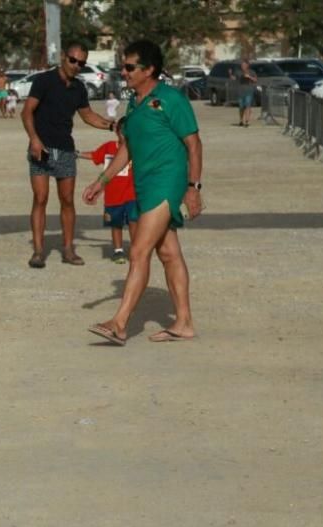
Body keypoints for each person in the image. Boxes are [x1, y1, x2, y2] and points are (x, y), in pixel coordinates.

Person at [82, 39, 202, 345]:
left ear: (149, 69)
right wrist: (101, 181)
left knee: (138, 251)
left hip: (167, 182)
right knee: (168, 252)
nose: (124, 71)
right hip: (144, 183)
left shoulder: (171, 100)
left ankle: (119, 323)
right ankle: (184, 322)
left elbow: (193, 143)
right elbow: (127, 149)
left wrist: (193, 187)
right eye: (123, 66)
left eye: (129, 66)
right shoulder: (135, 103)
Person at [21, 42, 118, 269]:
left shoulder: (79, 88)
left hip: (65, 149)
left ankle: (68, 249)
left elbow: (88, 116)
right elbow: (27, 112)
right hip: (41, 149)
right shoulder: (44, 81)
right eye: (73, 60)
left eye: (81, 63)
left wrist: (112, 126)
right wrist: (34, 139)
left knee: (67, 201)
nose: (76, 66)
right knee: (40, 199)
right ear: (63, 57)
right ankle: (38, 251)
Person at [78, 117, 136, 263]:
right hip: (112, 195)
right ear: (116, 131)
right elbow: (95, 155)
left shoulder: (137, 148)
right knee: (115, 224)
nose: (124, 135)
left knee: (134, 222)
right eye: (122, 132)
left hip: (132, 195)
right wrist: (77, 154)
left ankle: (136, 249)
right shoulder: (109, 147)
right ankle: (118, 250)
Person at [231, 60, 257, 127]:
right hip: (240, 92)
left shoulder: (251, 72)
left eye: (244, 65)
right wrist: (230, 75)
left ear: (247, 65)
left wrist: (249, 77)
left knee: (248, 106)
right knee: (241, 106)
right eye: (242, 65)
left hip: (249, 91)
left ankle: (247, 121)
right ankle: (241, 120)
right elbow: (234, 78)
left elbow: (255, 80)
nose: (243, 66)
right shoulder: (238, 72)